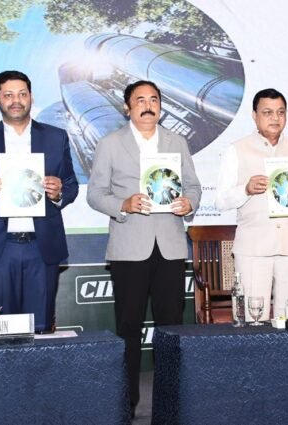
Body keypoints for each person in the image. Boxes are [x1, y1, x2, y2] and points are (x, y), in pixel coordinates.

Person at [86, 80, 202, 414]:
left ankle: (170, 404)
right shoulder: (110, 143)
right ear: (127, 107)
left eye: (154, 99)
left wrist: (189, 203)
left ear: (161, 106)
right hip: (129, 247)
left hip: (169, 246)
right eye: (140, 100)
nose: (148, 105)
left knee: (171, 327)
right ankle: (127, 403)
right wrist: (123, 204)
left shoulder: (177, 142)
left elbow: (193, 186)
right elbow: (95, 194)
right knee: (128, 327)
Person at [0, 70, 78, 333]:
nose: (16, 101)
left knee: (40, 329)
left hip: (42, 247)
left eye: (22, 94)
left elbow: (71, 185)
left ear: (31, 96)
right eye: (8, 95)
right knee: (3, 331)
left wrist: (59, 193)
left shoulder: (56, 137)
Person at [215, 88, 288, 320]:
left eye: (280, 112)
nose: (275, 118)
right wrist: (245, 189)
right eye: (267, 112)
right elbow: (221, 201)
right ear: (254, 115)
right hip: (253, 249)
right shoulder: (236, 149)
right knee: (253, 319)